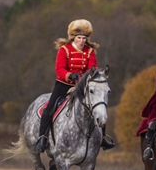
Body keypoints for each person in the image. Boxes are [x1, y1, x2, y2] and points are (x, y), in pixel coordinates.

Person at [36, 19, 115, 153]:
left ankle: (102, 139)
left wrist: (84, 78)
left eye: (84, 38)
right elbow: (59, 69)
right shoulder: (64, 50)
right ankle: (42, 137)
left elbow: (92, 70)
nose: (82, 41)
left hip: (82, 86)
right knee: (50, 107)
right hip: (64, 84)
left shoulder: (89, 51)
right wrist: (69, 75)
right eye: (79, 38)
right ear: (73, 37)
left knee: (99, 105)